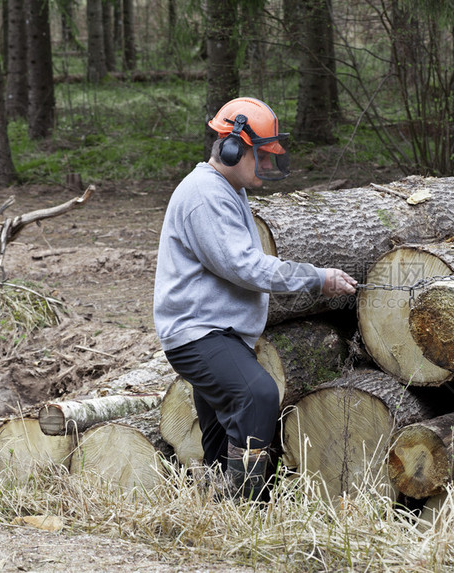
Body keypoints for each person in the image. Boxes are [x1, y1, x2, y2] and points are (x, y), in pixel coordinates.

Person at [153, 97, 357, 500]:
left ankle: (216, 511)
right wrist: (317, 279)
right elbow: (244, 266)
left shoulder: (227, 189)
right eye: (261, 156)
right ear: (232, 148)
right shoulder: (204, 195)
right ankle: (246, 507)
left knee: (219, 443)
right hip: (199, 334)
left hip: (220, 335)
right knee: (258, 394)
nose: (267, 165)